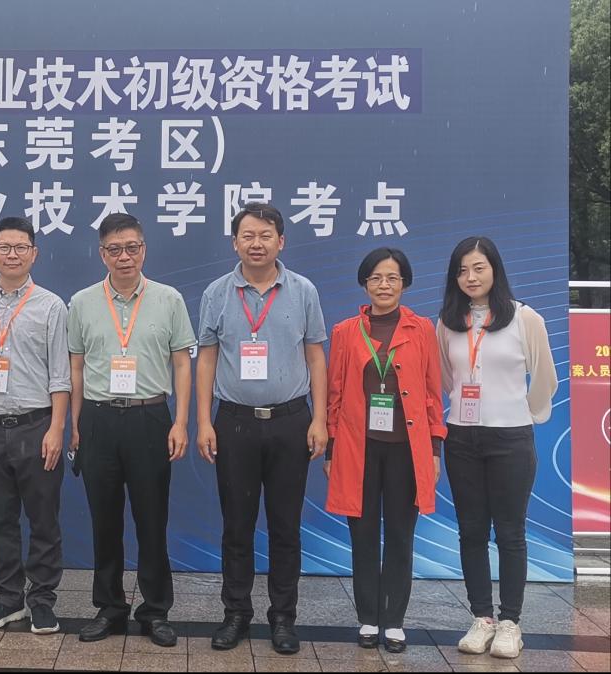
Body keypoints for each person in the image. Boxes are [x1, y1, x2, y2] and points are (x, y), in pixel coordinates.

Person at [195, 202, 327, 654]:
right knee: (237, 525)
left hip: (291, 421)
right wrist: (203, 421)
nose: (257, 244)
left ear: (281, 242)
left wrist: (320, 419)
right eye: (248, 236)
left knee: (286, 526)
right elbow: (207, 358)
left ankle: (283, 617)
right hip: (234, 423)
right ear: (235, 242)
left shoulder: (303, 290)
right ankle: (236, 614)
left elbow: (315, 356)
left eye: (266, 235)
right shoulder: (216, 293)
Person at [68, 213, 195, 647]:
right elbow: (76, 367)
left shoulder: (168, 299)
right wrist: (75, 425)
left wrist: (181, 421)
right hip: (98, 419)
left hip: (150, 417)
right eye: (115, 249)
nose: (124, 257)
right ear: (102, 253)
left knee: (152, 519)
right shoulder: (82, 302)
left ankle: (155, 610)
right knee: (104, 520)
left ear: (144, 249)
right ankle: (110, 608)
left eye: (132, 247)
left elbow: (182, 363)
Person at [438, 237, 557, 660]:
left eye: (478, 268)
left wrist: (524, 413)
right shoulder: (448, 322)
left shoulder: (525, 318)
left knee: (509, 532)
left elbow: (545, 377)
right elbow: (446, 378)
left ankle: (510, 623)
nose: (470, 277)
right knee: (470, 530)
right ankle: (482, 618)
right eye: (462, 270)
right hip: (461, 438)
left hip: (510, 438)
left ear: (495, 270)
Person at [324, 248, 446, 653]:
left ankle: (394, 621)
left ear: (404, 283)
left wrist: (434, 448)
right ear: (365, 284)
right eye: (376, 278)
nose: (384, 285)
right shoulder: (345, 331)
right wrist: (331, 450)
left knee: (399, 535)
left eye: (392, 278)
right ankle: (367, 617)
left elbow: (432, 394)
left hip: (406, 450)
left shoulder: (421, 329)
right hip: (358, 449)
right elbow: (335, 394)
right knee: (361, 535)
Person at [0, 217, 70, 635]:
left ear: (34, 253)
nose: (13, 254)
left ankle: (42, 601)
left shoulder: (51, 306)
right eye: (5, 247)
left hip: (36, 425)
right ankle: (9, 599)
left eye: (21, 247)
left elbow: (60, 375)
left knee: (44, 520)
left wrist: (57, 429)